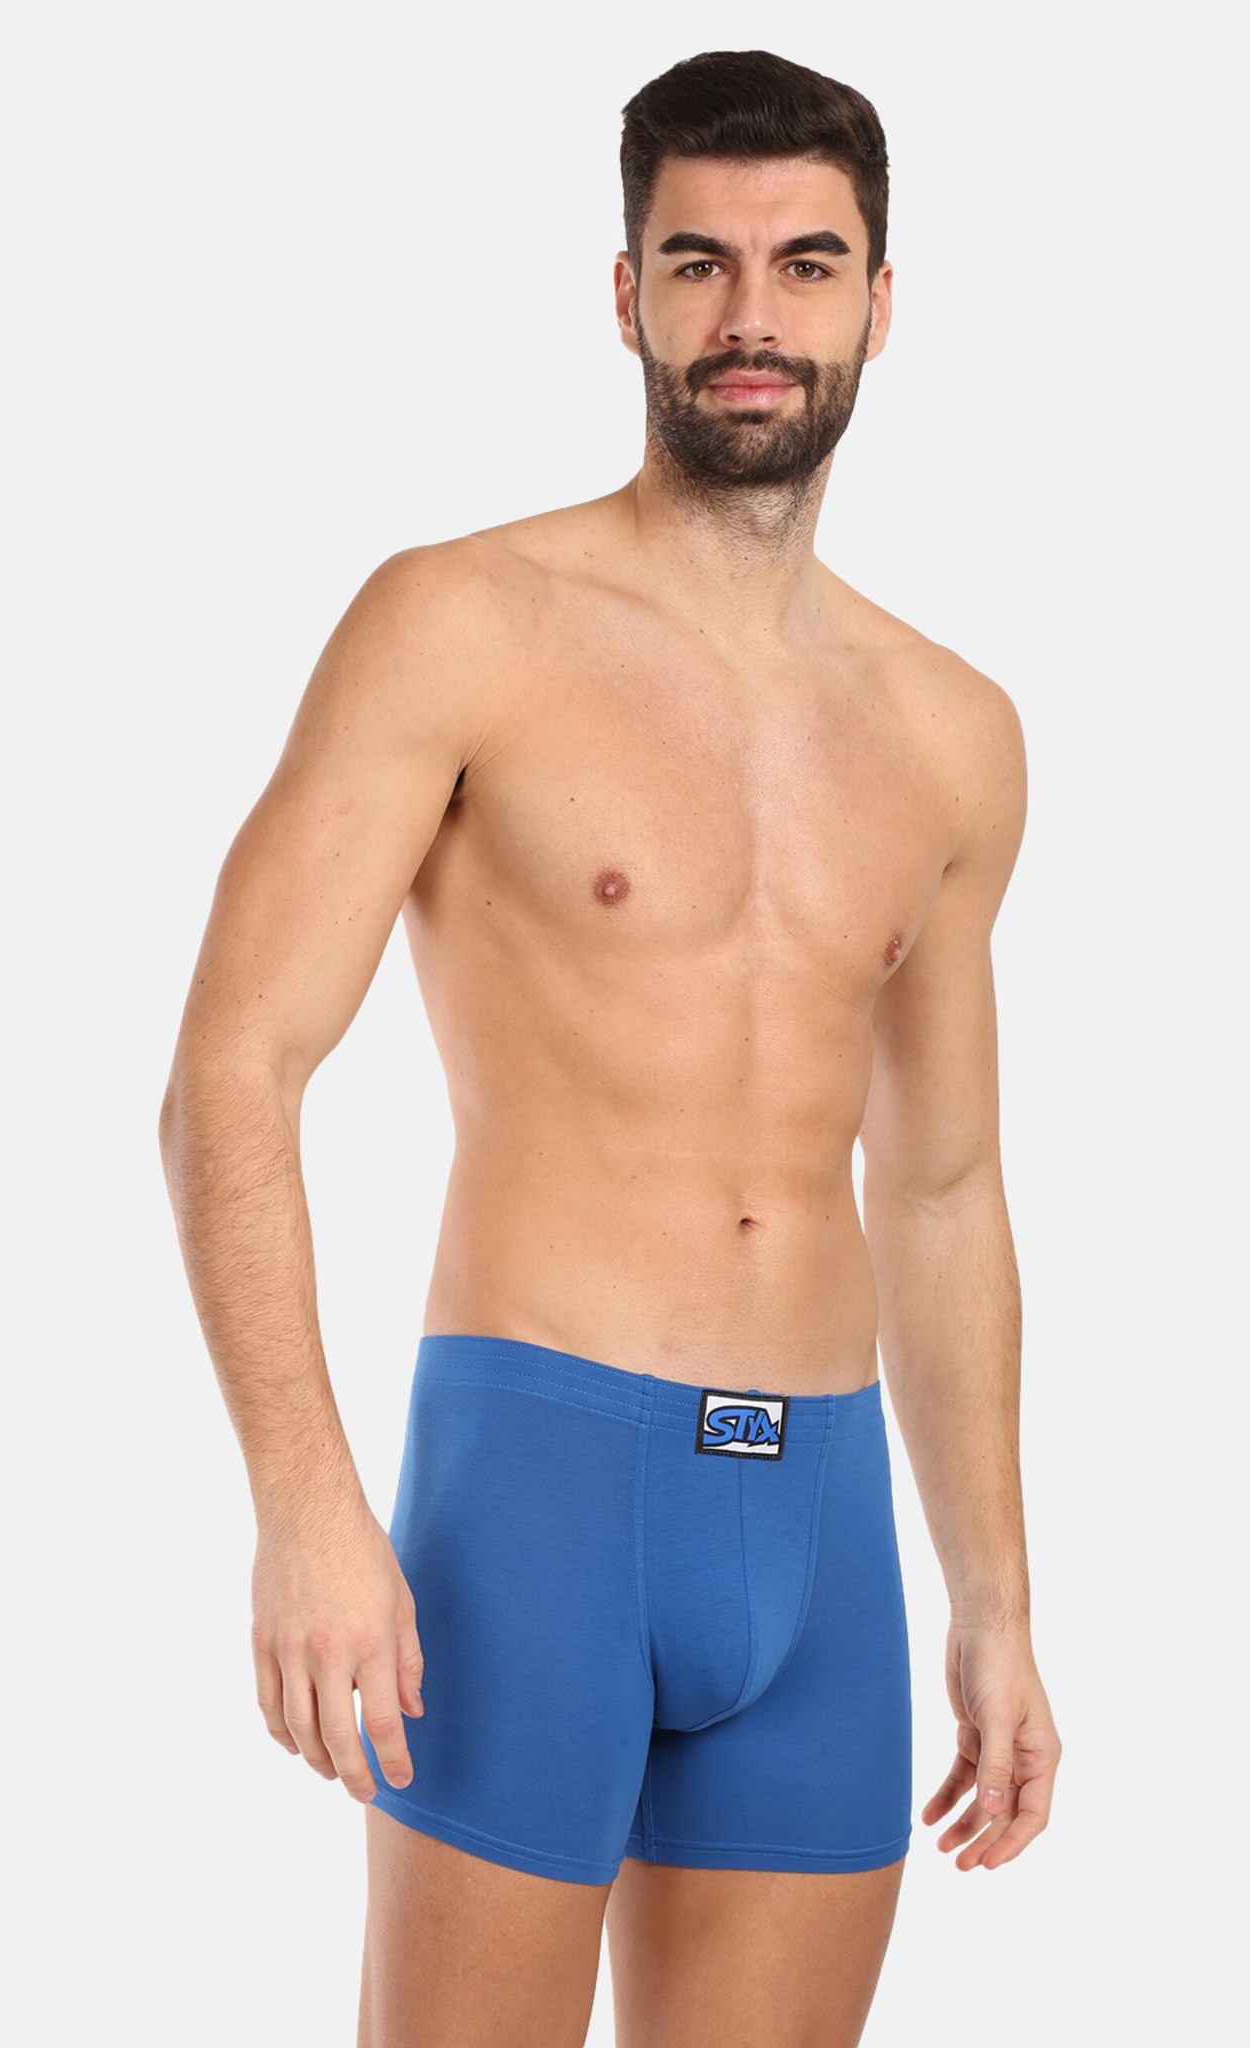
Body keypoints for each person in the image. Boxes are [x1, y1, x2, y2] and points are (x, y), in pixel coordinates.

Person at [160, 46, 1061, 2046]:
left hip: (822, 1524)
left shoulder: (952, 733)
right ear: (628, 291)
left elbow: (939, 1183)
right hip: (537, 1492)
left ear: (880, 303)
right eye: (702, 262)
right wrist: (304, 1501)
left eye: (807, 264)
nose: (754, 316)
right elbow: (235, 1064)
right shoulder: (463, 624)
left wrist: (995, 1596)